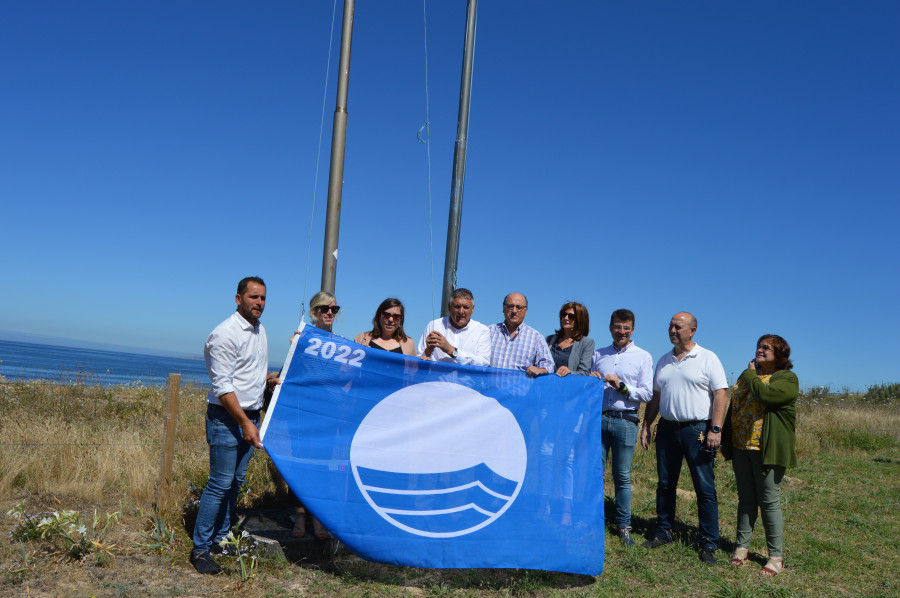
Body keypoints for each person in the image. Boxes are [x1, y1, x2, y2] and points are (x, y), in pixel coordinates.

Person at [191, 277, 280, 575]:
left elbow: (248, 373)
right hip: (228, 419)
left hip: (249, 417)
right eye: (253, 297)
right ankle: (200, 549)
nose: (259, 303)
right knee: (219, 484)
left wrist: (267, 380)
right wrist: (244, 422)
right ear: (238, 298)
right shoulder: (224, 334)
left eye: (263, 298)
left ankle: (220, 538)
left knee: (236, 483)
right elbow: (223, 387)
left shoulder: (260, 330)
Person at [639, 311, 728, 565]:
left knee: (704, 488)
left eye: (678, 326)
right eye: (670, 326)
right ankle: (663, 532)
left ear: (692, 331)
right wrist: (647, 425)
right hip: (667, 429)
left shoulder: (707, 358)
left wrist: (715, 429)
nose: (672, 330)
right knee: (665, 484)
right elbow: (656, 397)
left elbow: (720, 395)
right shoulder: (664, 360)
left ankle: (709, 543)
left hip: (697, 431)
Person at [722, 335, 798, 577]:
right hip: (741, 446)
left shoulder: (786, 378)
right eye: (759, 346)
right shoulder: (748, 379)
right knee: (745, 499)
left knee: (768, 501)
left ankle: (776, 556)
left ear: (780, 354)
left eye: (767, 347)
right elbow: (735, 408)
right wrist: (726, 438)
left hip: (767, 450)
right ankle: (741, 547)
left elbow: (767, 396)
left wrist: (749, 375)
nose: (760, 350)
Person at [590, 308, 653, 547]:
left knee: (622, 476)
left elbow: (646, 393)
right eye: (617, 327)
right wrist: (592, 378)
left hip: (626, 420)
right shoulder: (599, 354)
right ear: (610, 328)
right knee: (595, 472)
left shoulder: (643, 356)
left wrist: (622, 386)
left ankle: (624, 526)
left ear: (632, 330)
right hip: (599, 418)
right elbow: (587, 385)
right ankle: (593, 519)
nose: (621, 331)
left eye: (626, 328)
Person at [288, 290, 338, 539]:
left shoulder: (341, 343)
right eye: (324, 309)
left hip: (327, 417)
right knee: (299, 466)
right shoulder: (302, 338)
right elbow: (291, 372)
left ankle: (318, 518)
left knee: (323, 469)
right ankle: (300, 518)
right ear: (314, 312)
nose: (329, 313)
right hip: (302, 414)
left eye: (333, 310)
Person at [417, 288, 491, 365]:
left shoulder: (482, 331)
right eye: (457, 306)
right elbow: (418, 360)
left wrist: (452, 351)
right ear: (449, 306)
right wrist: (428, 350)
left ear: (472, 309)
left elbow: (483, 363)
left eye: (466, 307)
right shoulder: (434, 325)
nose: (461, 311)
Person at [488, 293, 554, 376]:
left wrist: (539, 370)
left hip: (520, 389)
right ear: (503, 308)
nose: (514, 311)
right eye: (510, 306)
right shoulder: (488, 332)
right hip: (488, 388)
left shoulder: (536, 337)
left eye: (519, 307)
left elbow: (549, 365)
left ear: (525, 311)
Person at [546, 302, 594, 377]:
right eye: (564, 314)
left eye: (571, 316)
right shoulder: (549, 339)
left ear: (580, 320)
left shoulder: (587, 343)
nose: (566, 318)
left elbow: (584, 372)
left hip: (569, 387)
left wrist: (569, 372)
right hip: (548, 386)